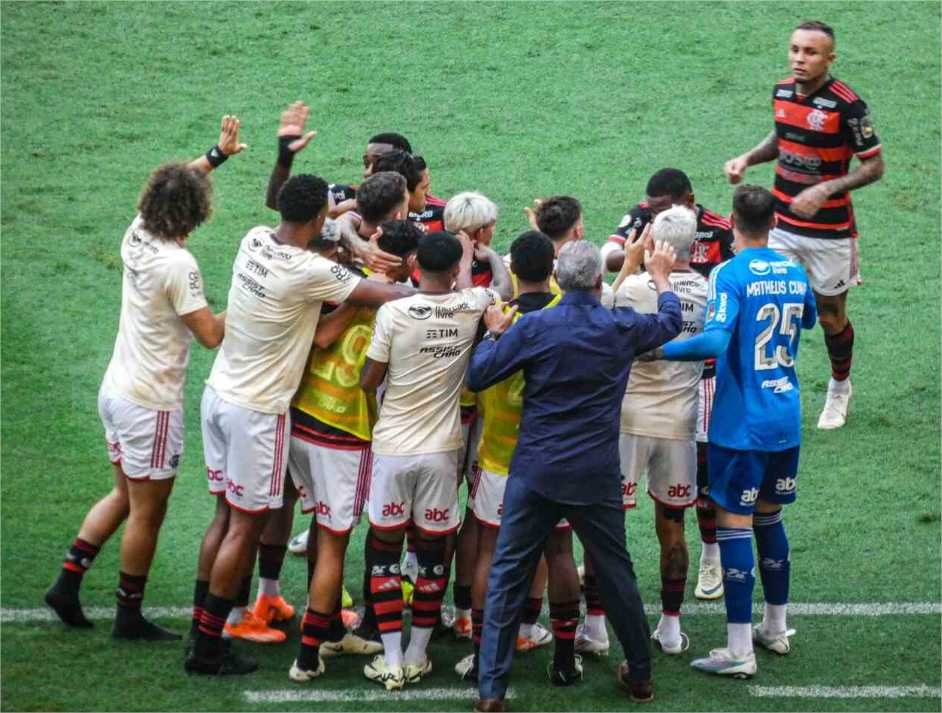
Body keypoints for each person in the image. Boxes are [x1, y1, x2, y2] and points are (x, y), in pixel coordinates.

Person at [185, 171, 414, 676]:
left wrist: (350, 242)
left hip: (217, 395)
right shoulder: (311, 273)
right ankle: (206, 646)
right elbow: (389, 298)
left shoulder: (254, 239)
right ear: (317, 217)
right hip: (257, 413)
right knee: (244, 528)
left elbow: (326, 238)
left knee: (222, 519)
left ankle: (201, 628)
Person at [44, 117, 243, 639]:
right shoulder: (179, 264)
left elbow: (180, 180)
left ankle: (67, 583)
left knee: (125, 496)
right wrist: (251, 301)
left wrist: (215, 157)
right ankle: (128, 615)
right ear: (194, 214)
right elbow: (209, 334)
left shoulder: (137, 230)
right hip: (151, 404)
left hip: (117, 390)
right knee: (148, 515)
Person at [468, 240, 683, 710]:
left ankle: (491, 691)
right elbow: (671, 322)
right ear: (599, 282)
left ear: (558, 281)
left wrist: (494, 334)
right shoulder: (618, 325)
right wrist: (662, 276)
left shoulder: (536, 326)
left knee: (508, 572)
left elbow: (479, 376)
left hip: (536, 469)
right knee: (615, 571)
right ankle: (641, 676)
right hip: (594, 473)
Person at [649, 185, 817, 678]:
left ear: (734, 224)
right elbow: (807, 317)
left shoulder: (729, 273)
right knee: (770, 519)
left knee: (735, 525)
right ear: (773, 223)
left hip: (741, 424)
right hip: (786, 417)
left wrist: (657, 350)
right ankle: (776, 627)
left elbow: (718, 340)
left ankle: (739, 649)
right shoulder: (793, 268)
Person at [358, 231, 510, 691]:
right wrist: (480, 258)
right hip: (443, 452)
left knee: (383, 551)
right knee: (430, 555)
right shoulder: (471, 305)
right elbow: (502, 287)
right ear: (454, 271)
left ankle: (391, 659)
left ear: (414, 266)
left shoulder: (392, 312)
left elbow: (369, 380)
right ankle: (419, 653)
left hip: (393, 450)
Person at [724, 20, 884, 430]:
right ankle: (762, 390)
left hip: (830, 231)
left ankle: (839, 386)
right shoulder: (781, 92)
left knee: (831, 317)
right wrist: (747, 158)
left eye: (810, 52)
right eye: (795, 49)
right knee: (764, 301)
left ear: (830, 58)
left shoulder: (848, 106)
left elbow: (875, 166)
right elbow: (781, 138)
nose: (800, 58)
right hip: (780, 225)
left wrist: (827, 188)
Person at [288, 219, 424, 682]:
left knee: (320, 523)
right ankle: (308, 655)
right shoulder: (405, 308)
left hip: (304, 418)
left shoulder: (342, 278)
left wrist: (360, 290)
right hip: (344, 434)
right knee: (333, 543)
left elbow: (322, 337)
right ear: (412, 262)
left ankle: (326, 626)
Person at [453, 231, 583, 687]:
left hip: (500, 459)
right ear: (552, 269)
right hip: (556, 459)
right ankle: (565, 658)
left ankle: (482, 656)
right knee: (560, 551)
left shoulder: (496, 318)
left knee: (490, 551)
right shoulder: (566, 313)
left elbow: (470, 385)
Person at [596, 170, 732, 601]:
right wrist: (646, 259)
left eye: (660, 210)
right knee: (665, 510)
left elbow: (602, 301)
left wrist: (645, 265)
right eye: (649, 209)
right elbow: (607, 256)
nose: (650, 217)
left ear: (688, 201)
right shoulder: (643, 219)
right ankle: (667, 615)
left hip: (700, 374)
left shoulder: (721, 234)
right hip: (673, 386)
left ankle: (711, 557)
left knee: (705, 471)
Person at [609, 206, 708, 656]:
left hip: (627, 421)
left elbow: (600, 327)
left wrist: (630, 264)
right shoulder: (709, 292)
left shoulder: (630, 289)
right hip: (679, 424)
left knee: (607, 523)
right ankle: (670, 627)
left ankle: (593, 625)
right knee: (674, 526)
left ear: (653, 244)